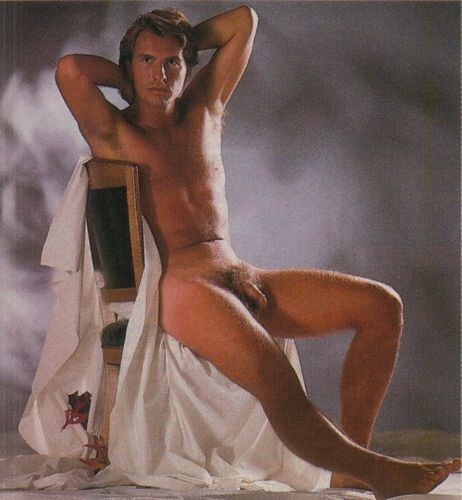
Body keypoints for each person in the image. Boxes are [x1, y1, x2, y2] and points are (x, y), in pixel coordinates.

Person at [55, 6, 459, 499]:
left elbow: (243, 21)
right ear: (129, 66)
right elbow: (71, 70)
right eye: (147, 62)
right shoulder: (114, 132)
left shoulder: (205, 107)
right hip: (178, 287)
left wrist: (178, 44)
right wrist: (132, 77)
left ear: (188, 65)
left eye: (172, 63)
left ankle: (352, 466)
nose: (160, 75)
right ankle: (378, 471)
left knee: (382, 306)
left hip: (234, 270)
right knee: (273, 373)